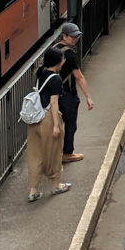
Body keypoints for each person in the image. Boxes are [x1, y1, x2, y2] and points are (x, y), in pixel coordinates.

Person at [26, 48, 72, 202]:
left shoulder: (40, 74)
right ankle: (56, 185)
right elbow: (54, 103)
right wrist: (56, 125)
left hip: (34, 120)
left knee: (35, 155)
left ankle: (33, 191)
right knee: (53, 153)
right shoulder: (56, 79)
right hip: (47, 119)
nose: (64, 61)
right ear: (58, 62)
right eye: (63, 59)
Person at [55, 22, 94, 163]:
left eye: (76, 36)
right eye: (72, 37)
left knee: (55, 124)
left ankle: (52, 154)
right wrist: (88, 97)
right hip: (67, 94)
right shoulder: (69, 54)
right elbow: (78, 77)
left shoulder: (53, 50)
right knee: (70, 124)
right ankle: (67, 152)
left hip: (53, 95)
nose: (75, 39)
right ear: (64, 36)